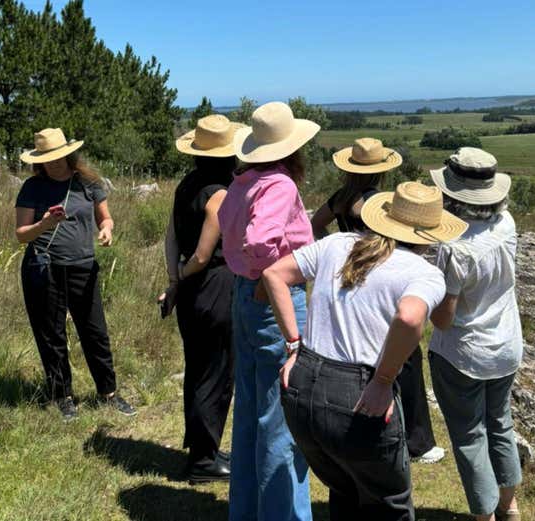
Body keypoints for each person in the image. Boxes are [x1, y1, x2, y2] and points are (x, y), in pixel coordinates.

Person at [263, 182, 468, 521]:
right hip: (359, 394)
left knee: (345, 492)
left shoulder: (336, 244)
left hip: (303, 389)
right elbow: (410, 316)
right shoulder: (424, 273)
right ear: (429, 234)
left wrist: (294, 346)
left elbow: (274, 274)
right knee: (390, 505)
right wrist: (384, 380)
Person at [312, 137, 446, 465]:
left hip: (352, 278)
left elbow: (314, 225)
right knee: (407, 360)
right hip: (384, 279)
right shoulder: (379, 203)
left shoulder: (341, 198)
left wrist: (337, 253)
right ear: (382, 171)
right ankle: (418, 441)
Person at [217, 101, 319, 521]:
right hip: (274, 300)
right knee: (281, 419)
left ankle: (246, 510)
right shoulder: (280, 184)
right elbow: (262, 242)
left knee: (251, 408)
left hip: (244, 296)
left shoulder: (244, 181)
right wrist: (267, 279)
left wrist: (253, 278)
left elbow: (226, 221)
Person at [428, 147, 523, 521]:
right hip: (506, 344)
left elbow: (444, 319)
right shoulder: (508, 224)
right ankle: (509, 507)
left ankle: (483, 516)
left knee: (470, 436)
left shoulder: (454, 246)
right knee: (501, 424)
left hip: (464, 353)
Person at [15, 128, 135, 421]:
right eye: (47, 159)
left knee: (95, 332)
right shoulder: (32, 187)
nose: (54, 163)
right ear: (38, 161)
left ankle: (108, 393)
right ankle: (62, 396)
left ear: (69, 154)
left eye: (58, 157)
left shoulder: (87, 183)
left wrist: (106, 229)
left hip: (83, 266)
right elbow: (21, 235)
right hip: (44, 268)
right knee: (52, 334)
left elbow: (105, 217)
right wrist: (44, 224)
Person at [158, 115, 243, 483]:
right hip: (215, 285)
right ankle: (204, 461)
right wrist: (187, 272)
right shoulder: (221, 193)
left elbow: (171, 239)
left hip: (193, 290)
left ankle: (201, 445)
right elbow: (204, 253)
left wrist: (175, 280)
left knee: (198, 368)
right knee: (217, 373)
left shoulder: (186, 185)